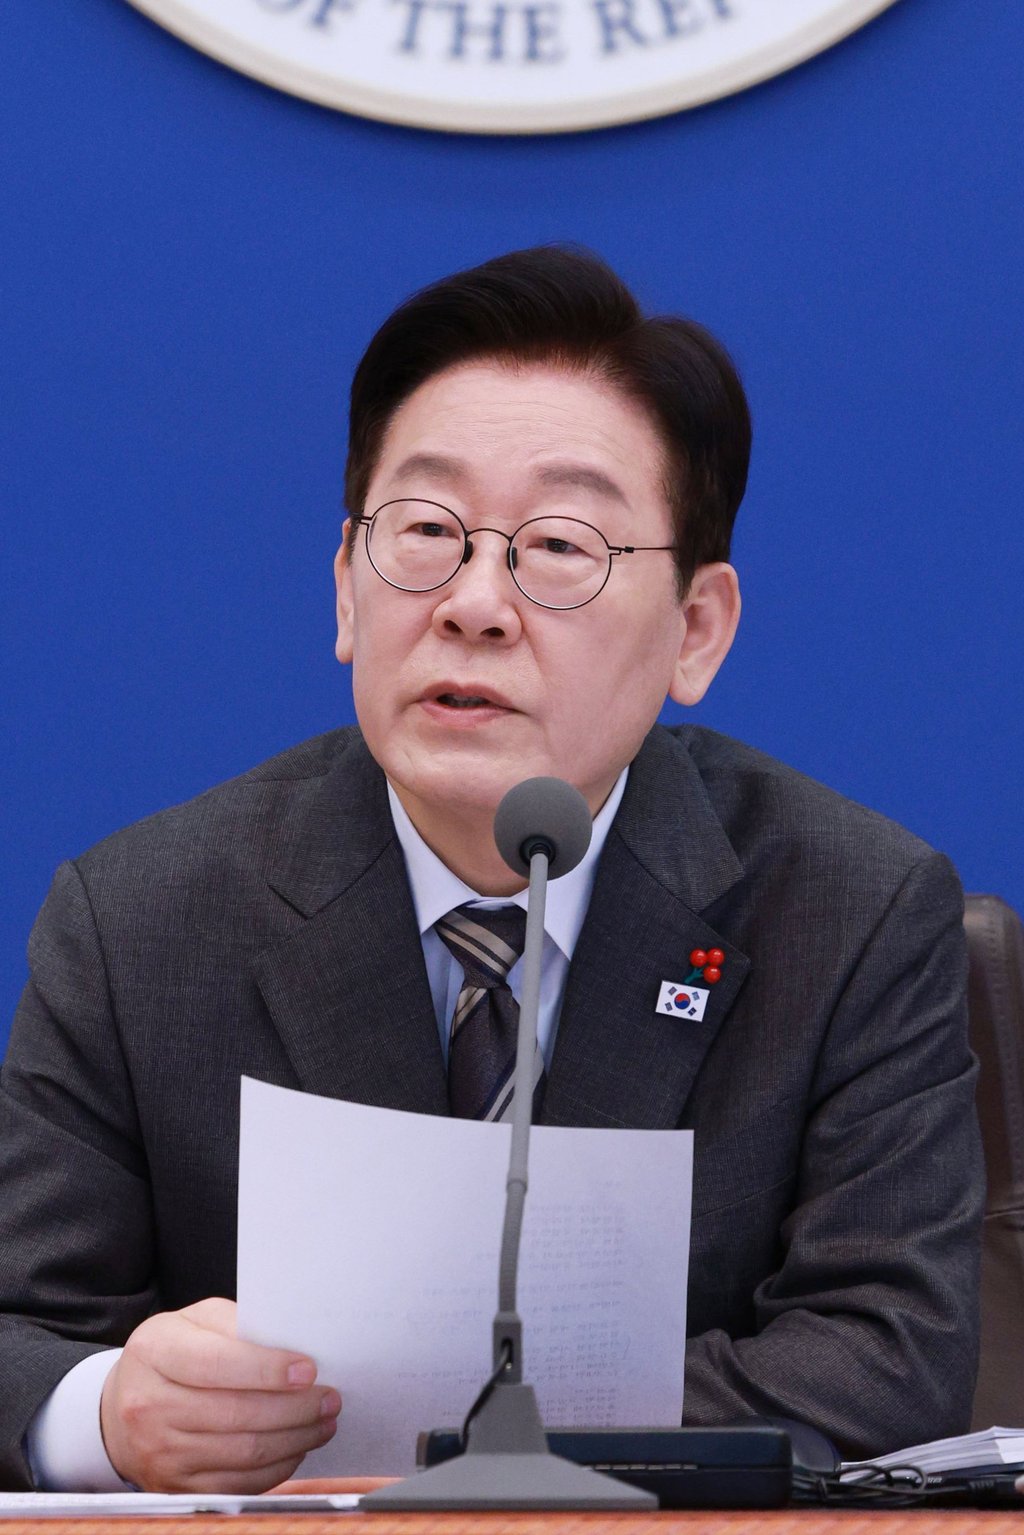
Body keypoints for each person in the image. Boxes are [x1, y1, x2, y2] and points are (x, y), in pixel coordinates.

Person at [0, 247, 984, 1493]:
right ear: (347, 592)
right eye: (424, 530)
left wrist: (480, 1442)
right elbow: (19, 1330)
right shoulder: (138, 921)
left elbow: (887, 1358)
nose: (475, 602)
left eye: (559, 545)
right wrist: (107, 1412)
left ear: (696, 630)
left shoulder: (847, 911)